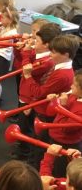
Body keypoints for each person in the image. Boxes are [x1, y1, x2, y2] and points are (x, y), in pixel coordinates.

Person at [23, 34, 78, 169]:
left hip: (46, 113)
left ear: (65, 54)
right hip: (43, 108)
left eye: (53, 52)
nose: (50, 55)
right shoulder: (58, 67)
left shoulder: (63, 74)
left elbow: (39, 92)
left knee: (40, 144)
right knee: (37, 141)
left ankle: (34, 168)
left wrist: (28, 75)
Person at [11, 23, 61, 161]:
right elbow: (21, 61)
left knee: (27, 126)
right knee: (23, 124)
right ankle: (22, 144)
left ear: (46, 45)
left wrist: (26, 52)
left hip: (30, 96)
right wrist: (19, 49)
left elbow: (27, 69)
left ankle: (25, 150)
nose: (33, 38)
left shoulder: (47, 61)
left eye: (37, 39)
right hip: (25, 93)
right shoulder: (37, 53)